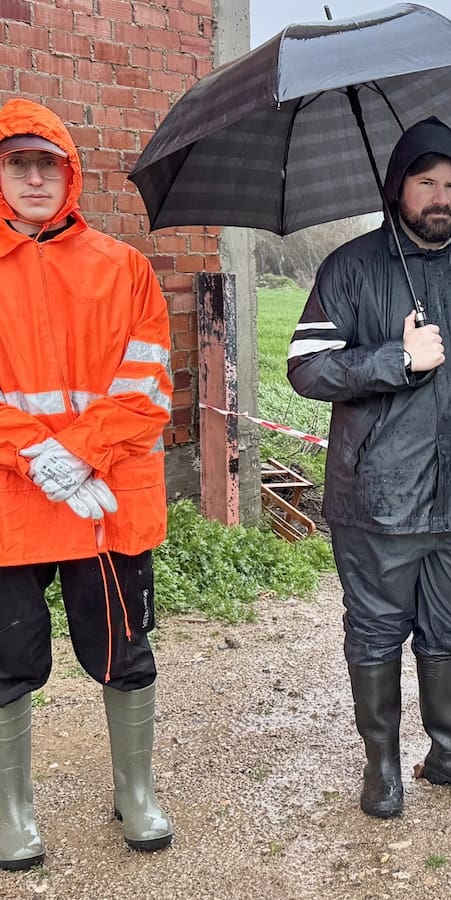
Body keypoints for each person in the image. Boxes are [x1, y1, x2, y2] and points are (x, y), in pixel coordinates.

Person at [288, 117, 451, 819]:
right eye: (426, 181)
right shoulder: (352, 268)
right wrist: (395, 360)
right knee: (374, 631)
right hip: (377, 501)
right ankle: (383, 766)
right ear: (398, 189)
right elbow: (304, 369)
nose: (441, 196)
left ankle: (450, 752)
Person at [0, 98, 175, 869]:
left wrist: (80, 453)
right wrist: (35, 457)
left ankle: (134, 792)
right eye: (17, 163)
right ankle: (12, 811)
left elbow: (149, 387)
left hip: (105, 505)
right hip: (10, 506)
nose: (34, 177)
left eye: (48, 163)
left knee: (125, 651)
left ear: (69, 171)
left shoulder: (123, 269)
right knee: (6, 662)